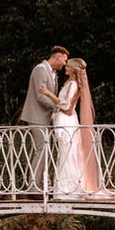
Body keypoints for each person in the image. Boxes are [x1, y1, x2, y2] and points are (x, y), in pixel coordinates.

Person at [38, 57, 100, 195]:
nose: (65, 67)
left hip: (66, 121)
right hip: (63, 120)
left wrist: (48, 93)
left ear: (73, 69)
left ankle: (68, 190)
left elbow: (67, 107)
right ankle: (66, 188)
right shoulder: (69, 82)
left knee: (68, 153)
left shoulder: (73, 85)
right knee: (65, 153)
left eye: (68, 66)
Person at [20, 46, 69, 191]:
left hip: (45, 117)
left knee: (45, 149)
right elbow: (40, 96)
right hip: (36, 115)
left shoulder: (53, 73)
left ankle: (40, 184)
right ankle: (33, 186)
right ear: (57, 56)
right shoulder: (40, 69)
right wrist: (57, 107)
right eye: (64, 60)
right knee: (41, 149)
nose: (64, 64)